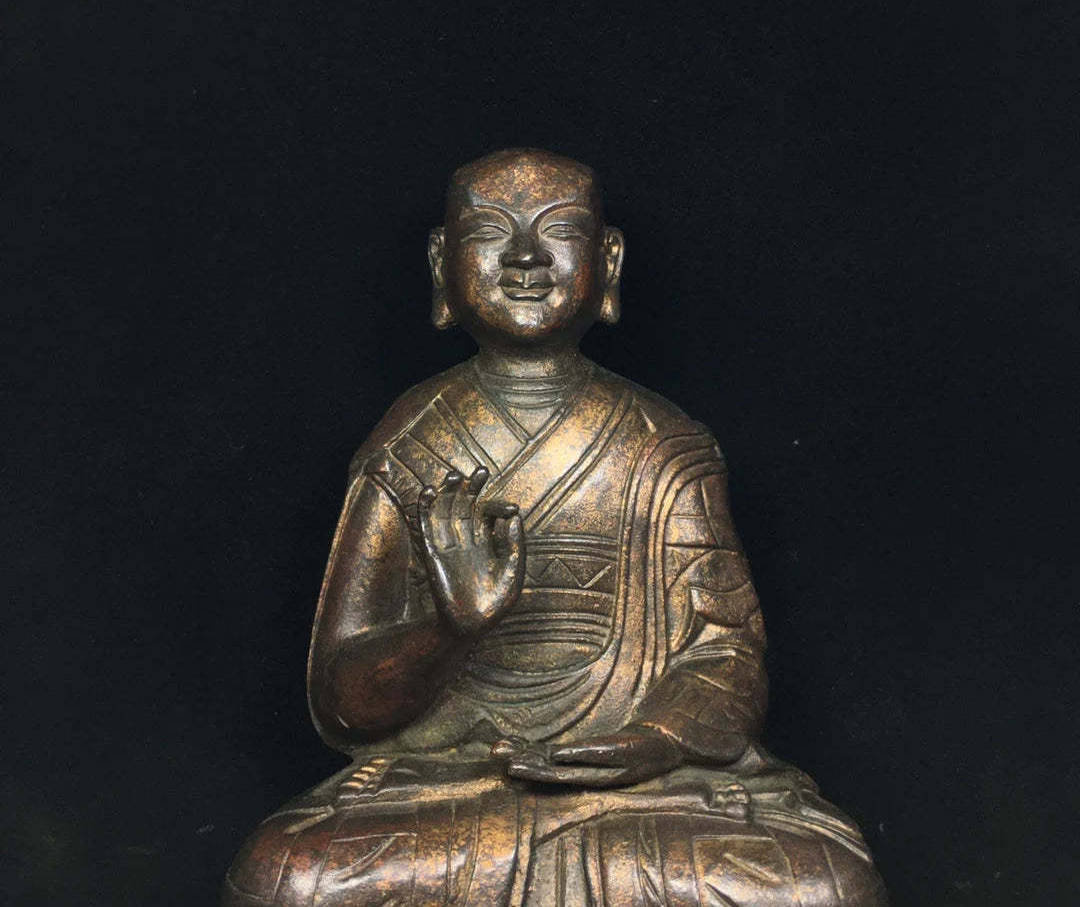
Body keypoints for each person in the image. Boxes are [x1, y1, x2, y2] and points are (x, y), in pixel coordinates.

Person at [223, 148, 888, 906]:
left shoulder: (663, 445)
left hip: (637, 792)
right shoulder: (410, 446)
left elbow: (726, 654)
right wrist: (447, 631)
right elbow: (343, 704)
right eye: (490, 232)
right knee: (285, 876)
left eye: (559, 230)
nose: (526, 258)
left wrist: (655, 740)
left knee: (826, 886)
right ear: (441, 263)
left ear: (609, 260)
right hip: (451, 781)